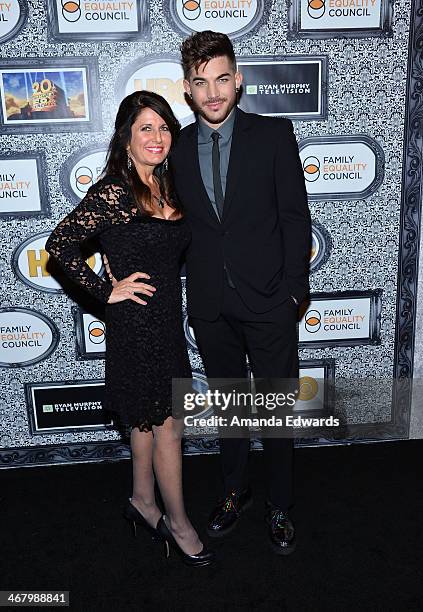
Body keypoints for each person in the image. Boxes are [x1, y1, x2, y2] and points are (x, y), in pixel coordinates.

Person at [45, 90, 214, 567]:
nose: (157, 137)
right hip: (135, 326)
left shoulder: (169, 186)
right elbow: (61, 243)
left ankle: (142, 500)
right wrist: (105, 290)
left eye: (164, 127)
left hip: (164, 322)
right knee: (167, 425)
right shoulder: (114, 191)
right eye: (146, 128)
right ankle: (179, 525)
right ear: (126, 137)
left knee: (145, 416)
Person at [169, 31, 311, 555]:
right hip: (210, 304)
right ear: (187, 88)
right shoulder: (177, 147)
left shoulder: (273, 135)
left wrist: (295, 290)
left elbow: (295, 217)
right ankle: (235, 491)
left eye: (222, 78)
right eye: (201, 82)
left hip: (270, 299)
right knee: (230, 408)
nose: (213, 92)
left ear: (239, 79)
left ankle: (279, 504)